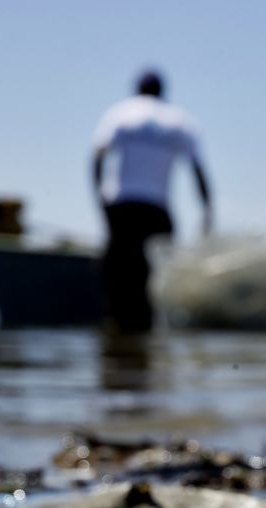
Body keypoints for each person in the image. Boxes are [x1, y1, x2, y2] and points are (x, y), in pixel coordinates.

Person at [92, 69, 213, 332]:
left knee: (119, 279)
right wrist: (207, 210)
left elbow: (97, 157)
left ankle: (118, 340)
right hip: (157, 209)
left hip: (122, 205)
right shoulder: (180, 121)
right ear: (162, 91)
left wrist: (100, 200)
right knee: (155, 278)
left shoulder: (120, 114)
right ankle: (148, 342)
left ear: (137, 89)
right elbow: (197, 170)